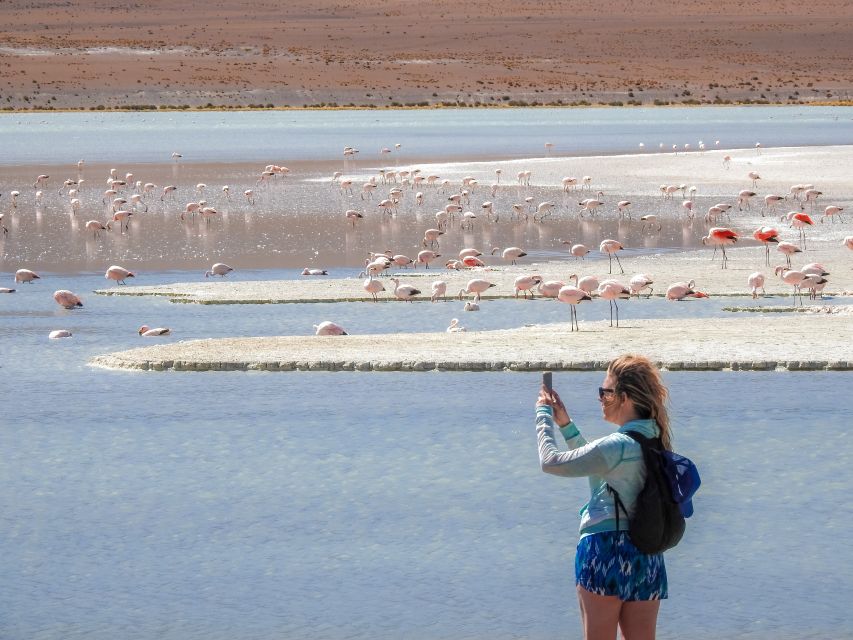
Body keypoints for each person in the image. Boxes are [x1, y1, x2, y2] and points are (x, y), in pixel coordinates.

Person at [535, 354, 672, 640]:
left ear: (626, 398)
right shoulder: (655, 438)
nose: (600, 398)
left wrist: (543, 416)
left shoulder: (617, 445)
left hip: (604, 551)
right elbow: (601, 468)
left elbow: (550, 461)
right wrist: (567, 426)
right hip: (646, 553)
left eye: (605, 392)